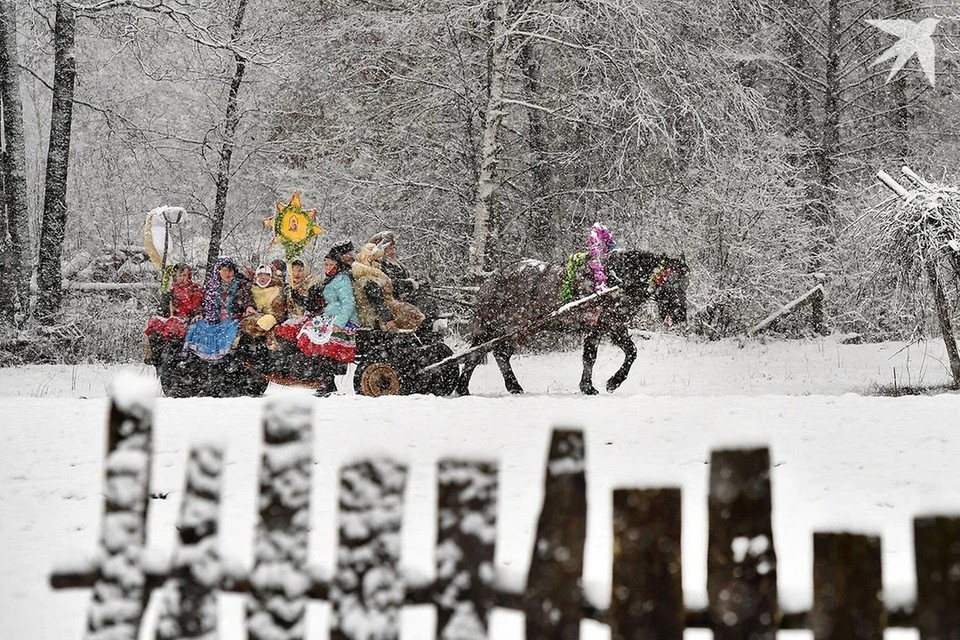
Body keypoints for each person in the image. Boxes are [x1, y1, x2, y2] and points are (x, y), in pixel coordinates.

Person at [298, 246, 360, 395]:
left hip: (342, 318)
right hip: (330, 315)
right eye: (325, 264)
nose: (327, 267)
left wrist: (339, 323)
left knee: (320, 339)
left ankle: (327, 381)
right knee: (308, 331)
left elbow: (348, 303)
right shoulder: (330, 280)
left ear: (337, 265)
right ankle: (324, 378)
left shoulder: (342, 279)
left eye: (330, 264)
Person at [182, 257, 253, 361]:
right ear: (218, 271)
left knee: (233, 332)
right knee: (195, 327)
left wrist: (249, 307)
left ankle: (225, 360)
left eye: (230, 270)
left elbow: (248, 300)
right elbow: (204, 304)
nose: (227, 273)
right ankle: (196, 360)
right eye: (224, 270)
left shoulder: (241, 285)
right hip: (213, 320)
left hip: (232, 320)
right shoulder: (212, 287)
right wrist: (200, 313)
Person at [355, 241, 424, 330]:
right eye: (389, 249)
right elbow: (377, 300)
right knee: (413, 316)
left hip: (388, 305)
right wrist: (388, 318)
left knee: (415, 313)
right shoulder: (369, 275)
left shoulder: (378, 270)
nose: (393, 251)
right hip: (378, 311)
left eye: (394, 248)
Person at [144, 263, 203, 364]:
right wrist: (166, 302)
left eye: (185, 275)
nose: (182, 278)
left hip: (187, 320)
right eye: (180, 275)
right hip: (172, 319)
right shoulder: (171, 289)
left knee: (173, 327)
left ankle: (174, 356)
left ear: (189, 276)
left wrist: (192, 313)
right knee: (155, 324)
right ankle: (156, 355)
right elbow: (163, 310)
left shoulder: (195, 289)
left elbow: (196, 306)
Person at [239, 264, 286, 341]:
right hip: (252, 321)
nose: (262, 277)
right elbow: (244, 302)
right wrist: (249, 307)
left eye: (266, 275)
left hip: (269, 323)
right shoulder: (250, 289)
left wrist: (271, 318)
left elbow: (279, 311)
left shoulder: (277, 291)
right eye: (260, 275)